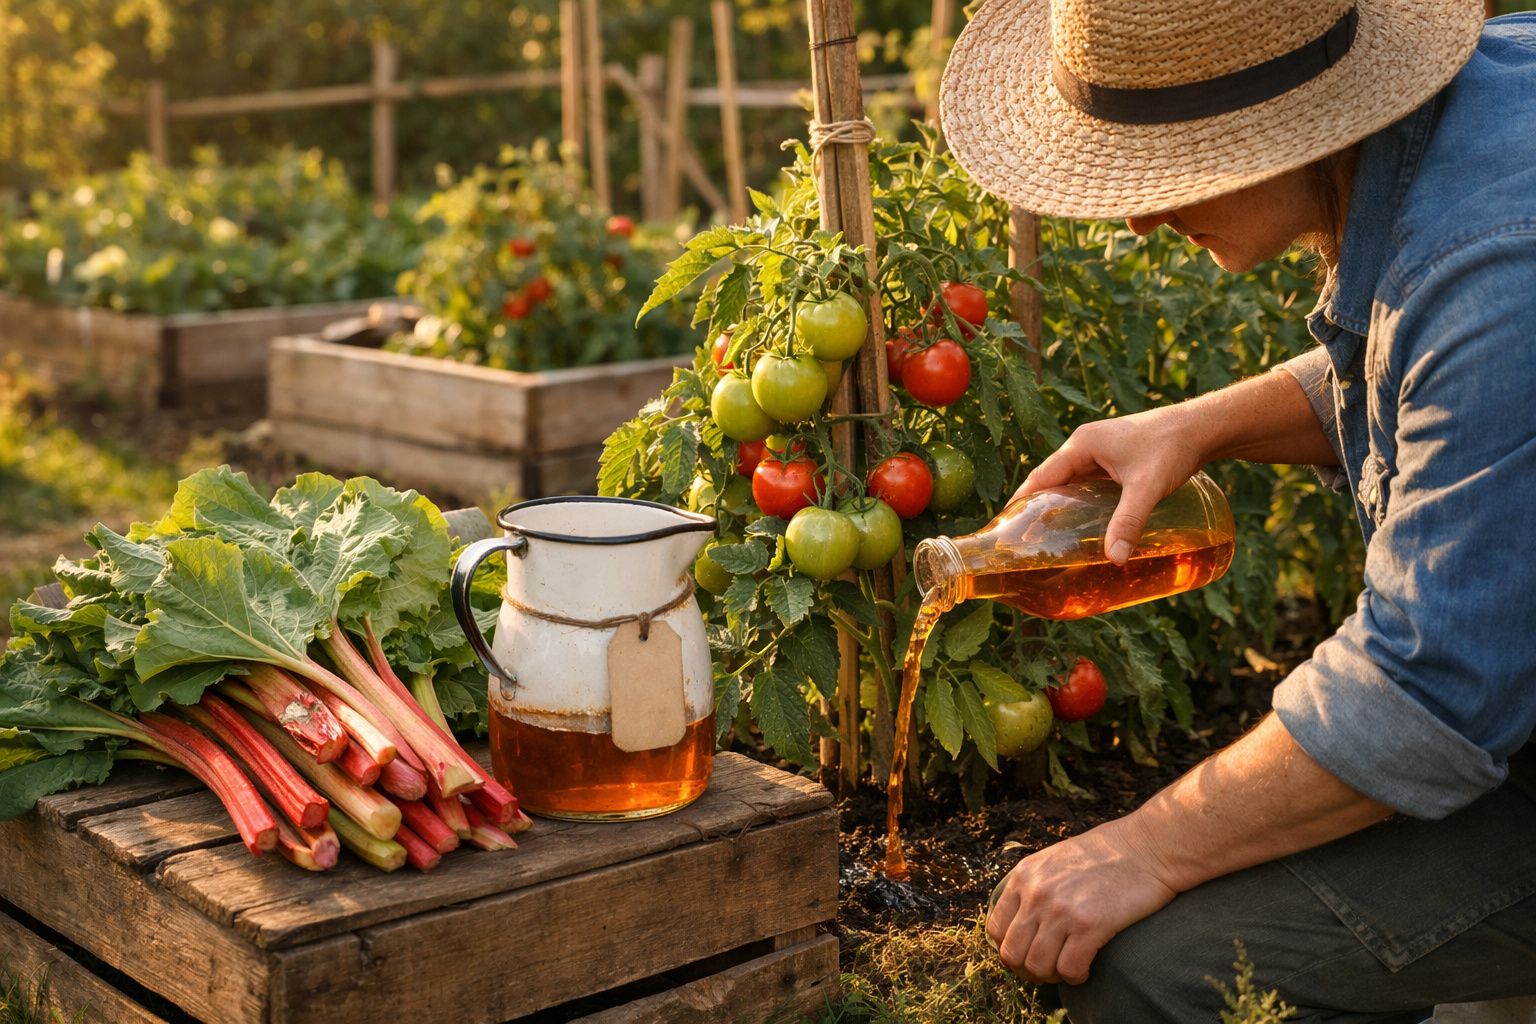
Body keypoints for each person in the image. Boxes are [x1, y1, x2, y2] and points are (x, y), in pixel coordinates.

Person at [938, 0, 1536, 1019]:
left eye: (1166, 162)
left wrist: (1140, 846)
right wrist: (1203, 425)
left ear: (1298, 117)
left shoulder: (1496, 264)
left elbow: (1430, 695)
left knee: (1157, 971)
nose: (1134, 218)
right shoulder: (1489, 102)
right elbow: (1456, 384)